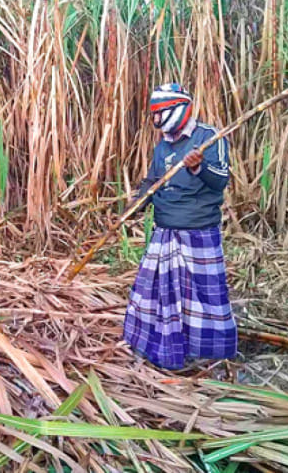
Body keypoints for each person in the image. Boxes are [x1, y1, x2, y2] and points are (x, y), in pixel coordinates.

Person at [123, 82, 237, 371]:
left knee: (202, 297)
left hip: (198, 231)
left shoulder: (208, 138)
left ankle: (208, 355)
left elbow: (220, 179)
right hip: (165, 231)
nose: (155, 121)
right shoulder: (163, 146)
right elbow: (153, 180)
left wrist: (199, 167)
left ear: (175, 110)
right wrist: (137, 203)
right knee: (156, 293)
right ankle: (163, 348)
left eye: (158, 114)